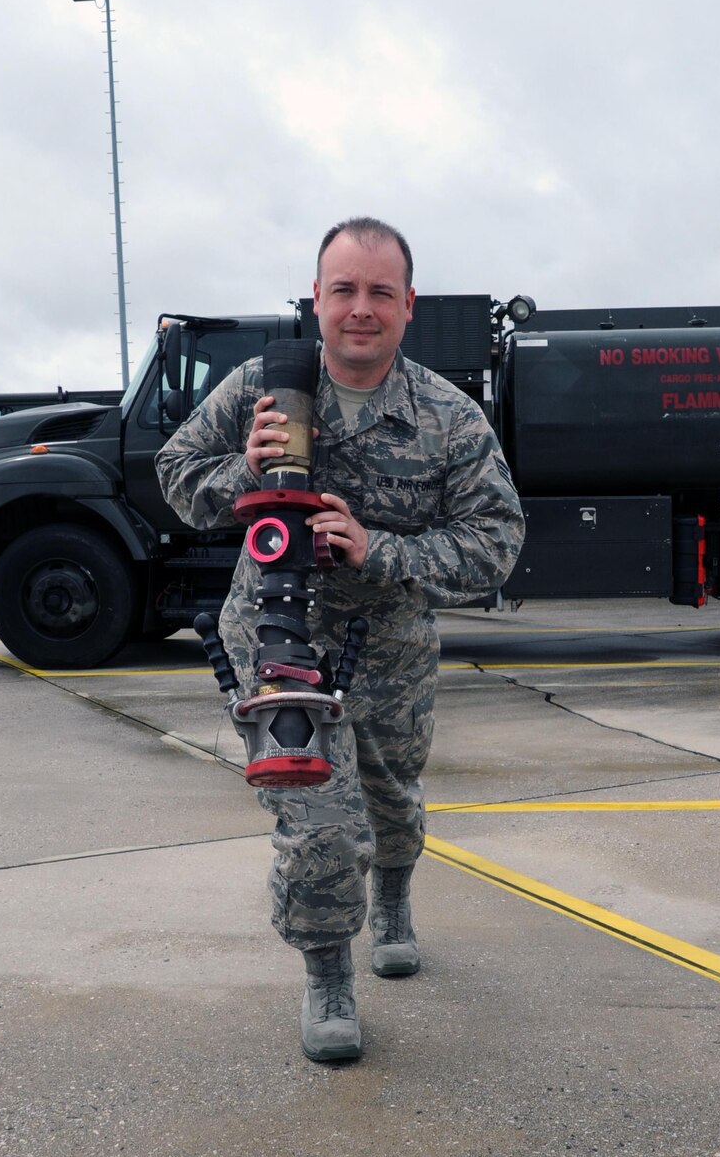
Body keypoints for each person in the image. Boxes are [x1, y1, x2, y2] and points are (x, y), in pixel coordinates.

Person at [155, 217, 525, 1062]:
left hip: (387, 644)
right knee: (318, 821)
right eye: (344, 290)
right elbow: (176, 478)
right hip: (275, 635)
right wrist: (243, 467)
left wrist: (383, 549)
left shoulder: (447, 417)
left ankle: (392, 897)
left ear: (408, 305)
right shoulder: (262, 383)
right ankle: (329, 974)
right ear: (316, 297)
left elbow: (497, 543)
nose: (361, 309)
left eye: (379, 293)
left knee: (391, 804)